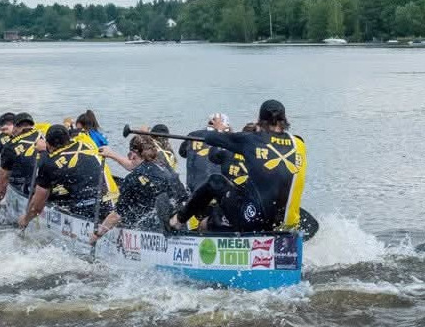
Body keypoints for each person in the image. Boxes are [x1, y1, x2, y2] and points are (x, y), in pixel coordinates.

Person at [166, 99, 307, 232]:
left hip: (253, 221)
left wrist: (220, 129)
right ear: (284, 121)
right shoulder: (299, 144)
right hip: (287, 224)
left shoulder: (251, 140)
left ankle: (177, 221)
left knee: (215, 181)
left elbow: (211, 139)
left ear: (260, 121)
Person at [92, 136, 187, 239]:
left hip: (153, 232)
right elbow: (134, 166)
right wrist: (111, 154)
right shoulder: (164, 166)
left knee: (127, 214)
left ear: (132, 155)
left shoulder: (133, 178)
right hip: (180, 224)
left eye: (129, 155)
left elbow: (117, 215)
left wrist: (97, 234)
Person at [17, 125, 106, 227]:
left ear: (47, 144)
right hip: (105, 203)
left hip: (83, 210)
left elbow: (37, 208)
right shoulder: (84, 144)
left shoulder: (49, 164)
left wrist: (25, 219)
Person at [0, 113, 41, 213]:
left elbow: (2, 181)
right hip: (45, 184)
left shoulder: (10, 146)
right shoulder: (43, 135)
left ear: (15, 127)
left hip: (25, 187)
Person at [177, 113, 232, 193]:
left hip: (193, 185)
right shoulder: (226, 138)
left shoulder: (193, 135)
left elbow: (182, 153)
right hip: (215, 186)